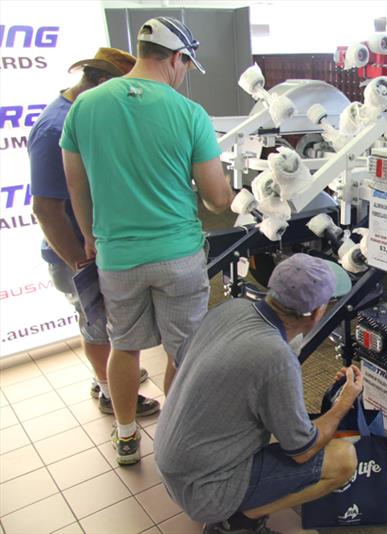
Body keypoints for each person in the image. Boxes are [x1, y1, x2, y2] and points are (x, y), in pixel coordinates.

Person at [61, 17, 234, 466]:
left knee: (125, 345)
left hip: (117, 256)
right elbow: (217, 200)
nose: (184, 75)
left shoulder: (85, 106)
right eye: (186, 66)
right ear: (177, 58)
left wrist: (90, 238)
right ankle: (176, 439)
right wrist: (230, 190)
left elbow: (76, 187)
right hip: (177, 254)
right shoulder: (188, 113)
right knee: (185, 349)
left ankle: (124, 437)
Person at [155, 254, 359, 534]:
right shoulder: (276, 357)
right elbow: (302, 450)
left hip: (172, 466)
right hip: (205, 490)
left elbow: (179, 362)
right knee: (343, 460)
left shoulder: (233, 308)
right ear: (316, 313)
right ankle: (238, 520)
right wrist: (344, 402)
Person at [29, 48, 156, 416]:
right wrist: (80, 261)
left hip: (93, 246)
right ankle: (109, 392)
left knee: (105, 325)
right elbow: (46, 208)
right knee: (97, 325)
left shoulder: (81, 116)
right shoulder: (56, 128)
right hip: (73, 252)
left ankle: (112, 376)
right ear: (102, 84)